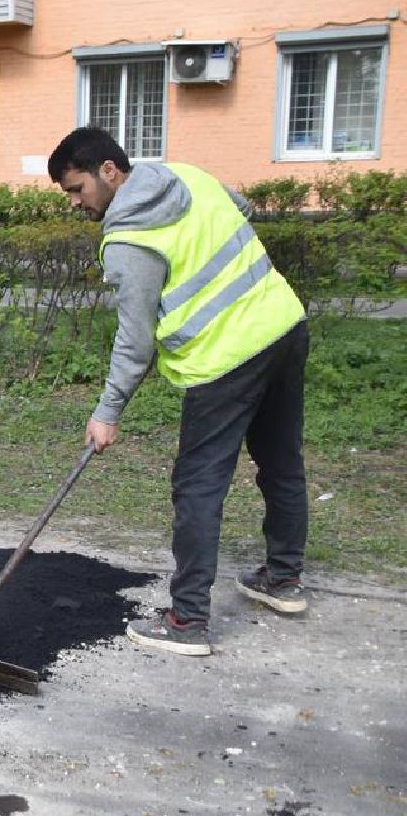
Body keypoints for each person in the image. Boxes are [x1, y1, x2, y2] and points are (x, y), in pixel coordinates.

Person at [48, 126, 310, 657]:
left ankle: (187, 621)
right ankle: (283, 581)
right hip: (283, 326)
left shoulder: (129, 242)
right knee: (281, 461)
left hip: (225, 361)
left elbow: (135, 343)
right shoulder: (185, 176)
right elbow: (243, 208)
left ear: (109, 171)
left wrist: (107, 413)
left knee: (198, 486)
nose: (75, 203)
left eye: (77, 190)